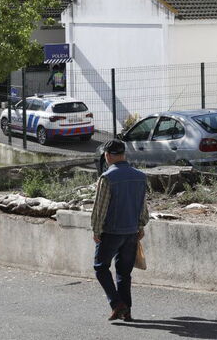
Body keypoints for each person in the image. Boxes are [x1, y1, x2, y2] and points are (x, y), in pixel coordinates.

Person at [91, 138, 149, 322]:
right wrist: (140, 226)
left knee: (100, 267)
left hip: (111, 232)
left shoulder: (107, 177)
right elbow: (143, 206)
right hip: (132, 231)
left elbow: (100, 207)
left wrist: (97, 230)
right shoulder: (140, 176)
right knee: (124, 272)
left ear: (107, 156)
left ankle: (117, 304)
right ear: (123, 154)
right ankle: (127, 311)